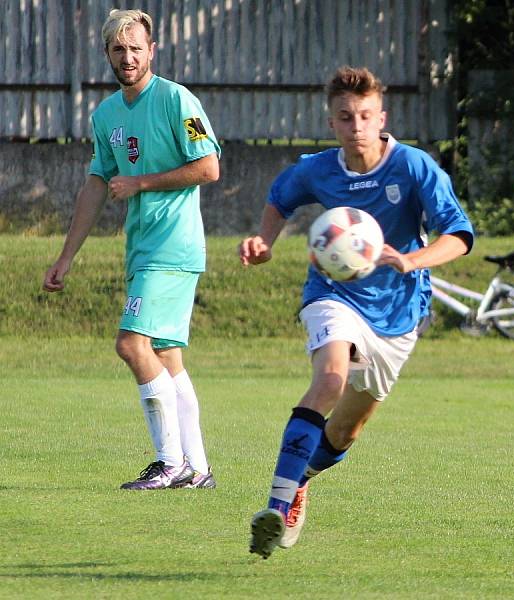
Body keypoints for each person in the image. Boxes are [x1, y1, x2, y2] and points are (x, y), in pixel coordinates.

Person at [239, 66, 474, 560]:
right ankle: (276, 509)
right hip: (333, 295)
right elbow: (280, 198)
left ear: (381, 116)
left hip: (398, 312)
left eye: (366, 115)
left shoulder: (413, 167)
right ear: (332, 123)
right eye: (346, 117)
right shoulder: (319, 169)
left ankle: (301, 480)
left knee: (346, 430)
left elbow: (459, 235)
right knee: (329, 380)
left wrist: (411, 259)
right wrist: (265, 241)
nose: (357, 126)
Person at [43, 9, 220, 490]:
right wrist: (66, 257)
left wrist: (142, 181)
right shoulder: (106, 116)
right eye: (118, 49)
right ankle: (198, 468)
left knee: (131, 344)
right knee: (166, 354)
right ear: (107, 54)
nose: (128, 57)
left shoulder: (175, 100)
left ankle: (169, 462)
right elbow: (96, 184)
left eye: (136, 48)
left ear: (151, 50)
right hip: (142, 247)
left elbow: (208, 167)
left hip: (174, 246)